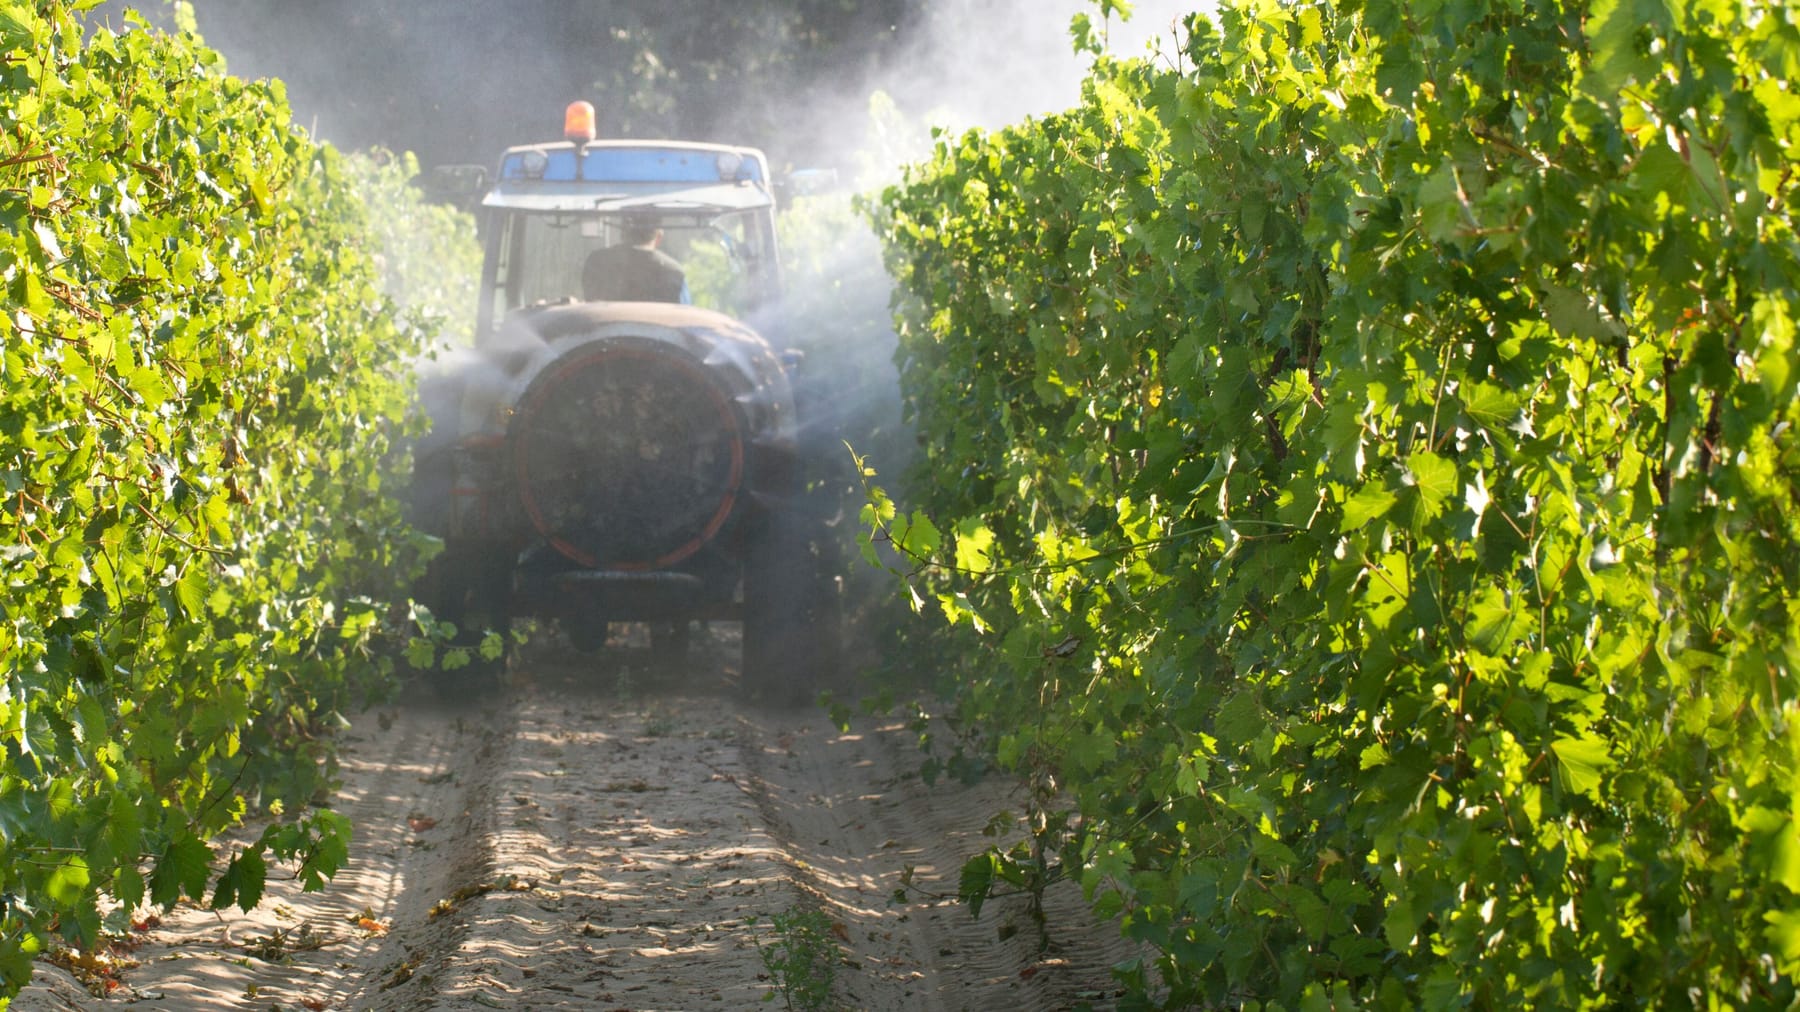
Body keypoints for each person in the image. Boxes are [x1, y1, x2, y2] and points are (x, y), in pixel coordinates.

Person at [582, 223, 688, 303]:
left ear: (622, 233)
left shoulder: (597, 262)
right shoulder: (674, 273)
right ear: (658, 238)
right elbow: (685, 315)